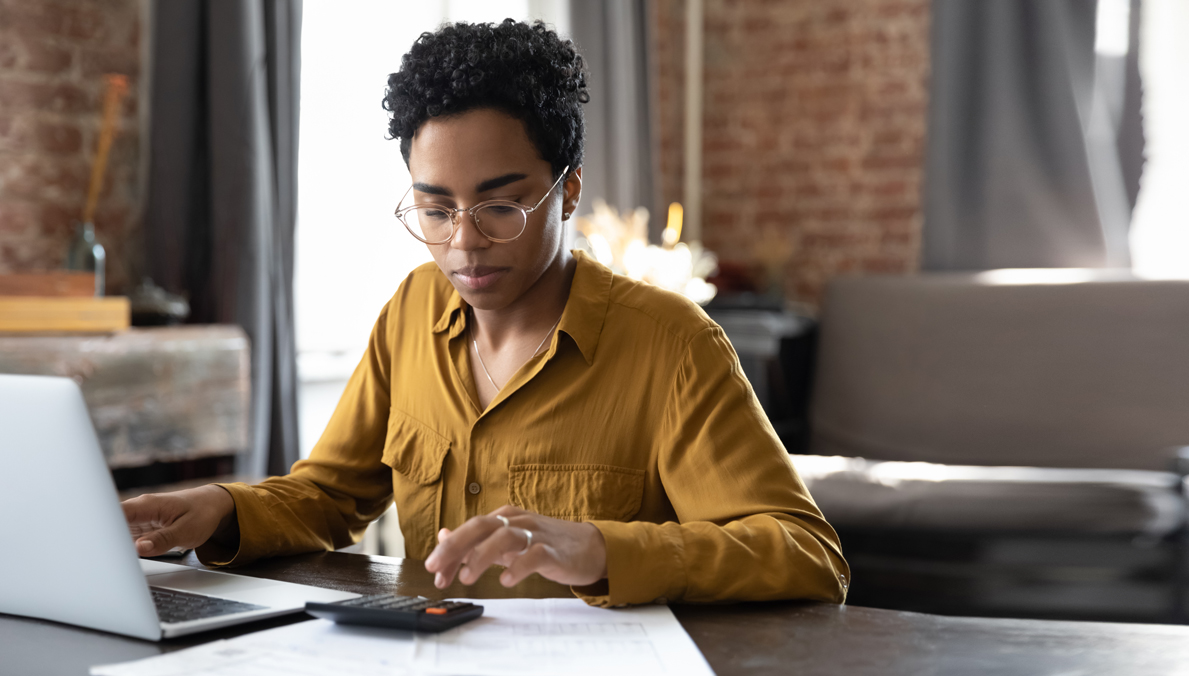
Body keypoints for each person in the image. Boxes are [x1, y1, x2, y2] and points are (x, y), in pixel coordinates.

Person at [122, 19, 849, 607]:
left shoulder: (673, 347)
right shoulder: (411, 310)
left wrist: (604, 550)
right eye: (435, 209)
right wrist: (220, 506)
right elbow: (330, 496)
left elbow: (808, 554)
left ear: (568, 193)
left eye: (501, 205)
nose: (464, 241)